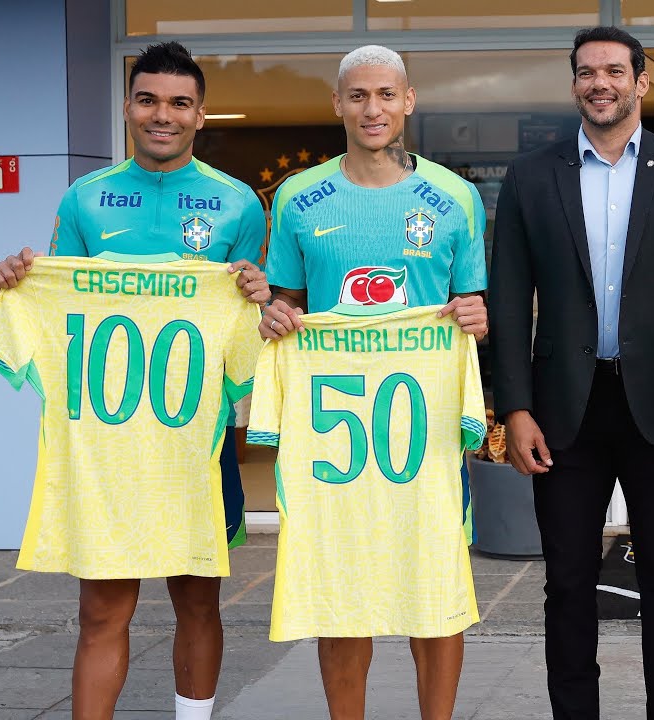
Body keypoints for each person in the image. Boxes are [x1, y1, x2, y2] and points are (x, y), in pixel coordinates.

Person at [0, 41, 269, 720]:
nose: (161, 115)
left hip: (194, 444)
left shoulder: (237, 206)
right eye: (148, 100)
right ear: (127, 106)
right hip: (107, 447)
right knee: (100, 609)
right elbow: (63, 305)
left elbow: (252, 327)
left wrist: (258, 294)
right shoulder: (84, 198)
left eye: (178, 103)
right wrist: (16, 284)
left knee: (198, 601)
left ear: (201, 115)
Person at [487, 26, 654, 720]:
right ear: (574, 84)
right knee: (567, 582)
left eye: (613, 71)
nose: (600, 83)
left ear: (641, 82)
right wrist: (513, 409)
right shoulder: (532, 176)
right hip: (561, 410)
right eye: (586, 72)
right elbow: (508, 299)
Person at [257, 45, 487, 720]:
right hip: (335, 435)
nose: (373, 108)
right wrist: (274, 316)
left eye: (387, 94)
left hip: (425, 434)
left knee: (436, 589)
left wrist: (476, 317)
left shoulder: (455, 197)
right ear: (337, 104)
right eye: (358, 95)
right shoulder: (299, 197)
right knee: (341, 591)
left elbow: (473, 314)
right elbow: (287, 307)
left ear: (409, 101)